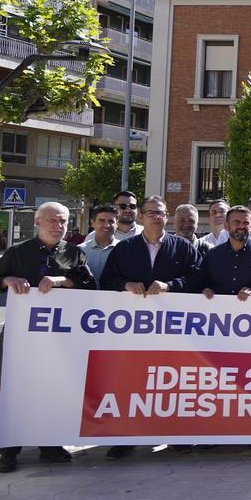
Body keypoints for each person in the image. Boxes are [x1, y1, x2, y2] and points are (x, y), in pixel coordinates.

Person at [0, 201, 94, 473]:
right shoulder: (17, 253)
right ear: (37, 222)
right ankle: (8, 450)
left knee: (52, 388)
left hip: (59, 338)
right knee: (13, 389)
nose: (58, 226)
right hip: (21, 337)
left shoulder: (74, 254)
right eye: (52, 221)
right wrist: (7, 280)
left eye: (63, 222)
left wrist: (61, 281)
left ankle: (49, 445)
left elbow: (90, 285)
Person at [99, 196, 204, 460]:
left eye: (161, 213)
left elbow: (198, 278)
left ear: (167, 216)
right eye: (151, 213)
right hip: (134, 333)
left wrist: (172, 285)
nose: (156, 217)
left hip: (174, 331)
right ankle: (125, 438)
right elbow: (107, 279)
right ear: (141, 217)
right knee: (132, 384)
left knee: (171, 384)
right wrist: (125, 285)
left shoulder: (183, 247)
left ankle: (175, 437)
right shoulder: (124, 249)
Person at [200, 205, 251, 300]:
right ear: (226, 226)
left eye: (246, 223)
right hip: (218, 311)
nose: (241, 226)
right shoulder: (212, 255)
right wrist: (204, 289)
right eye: (236, 222)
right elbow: (200, 281)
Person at [80, 205, 119, 282]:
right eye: (102, 220)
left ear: (117, 224)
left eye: (111, 221)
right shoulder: (80, 250)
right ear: (92, 223)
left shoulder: (125, 250)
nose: (107, 225)